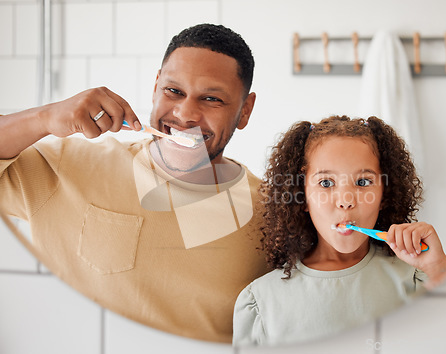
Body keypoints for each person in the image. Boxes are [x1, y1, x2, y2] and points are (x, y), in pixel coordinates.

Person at [0, 24, 269, 343]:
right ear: (156, 85)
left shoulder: (273, 213)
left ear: (245, 110)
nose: (185, 114)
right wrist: (42, 118)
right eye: (174, 91)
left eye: (211, 98)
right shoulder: (65, 167)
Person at [232, 115, 446, 346]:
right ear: (302, 196)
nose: (346, 201)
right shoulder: (261, 303)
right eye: (326, 183)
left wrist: (437, 268)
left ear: (384, 195)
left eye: (362, 183)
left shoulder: (416, 279)